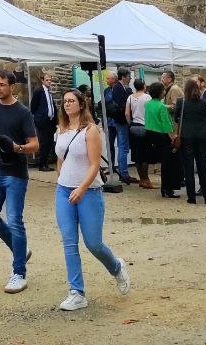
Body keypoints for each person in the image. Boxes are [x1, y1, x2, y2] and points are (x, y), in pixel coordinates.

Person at [53, 88, 132, 311]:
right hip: (64, 190)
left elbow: (95, 164)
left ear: (81, 104)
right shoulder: (60, 130)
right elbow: (61, 158)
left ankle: (116, 267)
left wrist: (82, 187)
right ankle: (76, 292)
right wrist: (61, 177)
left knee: (93, 243)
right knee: (69, 242)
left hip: (89, 192)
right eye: (65, 101)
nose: (67, 104)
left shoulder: (91, 130)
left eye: (71, 101)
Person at [0, 69, 38, 294]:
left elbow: (34, 145)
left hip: (15, 175)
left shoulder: (23, 113)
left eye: (2, 84)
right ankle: (20, 250)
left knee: (15, 221)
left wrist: (18, 148)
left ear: (12, 87)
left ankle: (19, 273)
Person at [173, 78, 206, 205]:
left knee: (189, 167)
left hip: (187, 136)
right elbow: (205, 116)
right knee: (203, 166)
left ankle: (191, 197)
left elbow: (176, 118)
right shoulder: (202, 102)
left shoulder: (181, 102)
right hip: (203, 136)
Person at [143, 82, 180, 198]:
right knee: (168, 164)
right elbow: (166, 125)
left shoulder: (148, 104)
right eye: (163, 90)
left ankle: (165, 189)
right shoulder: (161, 107)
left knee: (163, 162)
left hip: (150, 134)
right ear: (160, 92)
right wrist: (173, 137)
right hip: (162, 136)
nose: (165, 92)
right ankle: (167, 188)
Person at [105, 68, 133, 184]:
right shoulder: (118, 87)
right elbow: (121, 105)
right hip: (121, 121)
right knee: (123, 147)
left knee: (123, 147)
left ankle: (123, 172)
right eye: (129, 76)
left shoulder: (121, 87)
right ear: (123, 77)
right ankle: (124, 173)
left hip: (120, 121)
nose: (130, 78)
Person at [126, 78, 153, 189]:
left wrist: (130, 124)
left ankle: (141, 179)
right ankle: (146, 180)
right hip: (144, 127)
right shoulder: (147, 97)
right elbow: (150, 112)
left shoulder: (130, 97)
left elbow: (127, 114)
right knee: (145, 155)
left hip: (134, 127)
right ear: (144, 86)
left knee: (137, 155)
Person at [30, 72, 59, 172]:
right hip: (42, 122)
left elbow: (51, 105)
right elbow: (33, 106)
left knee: (49, 143)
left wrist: (55, 120)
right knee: (44, 143)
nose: (49, 82)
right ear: (42, 81)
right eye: (47, 80)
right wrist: (38, 118)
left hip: (50, 122)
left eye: (50, 80)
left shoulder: (49, 91)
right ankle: (41, 165)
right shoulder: (39, 91)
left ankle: (46, 164)